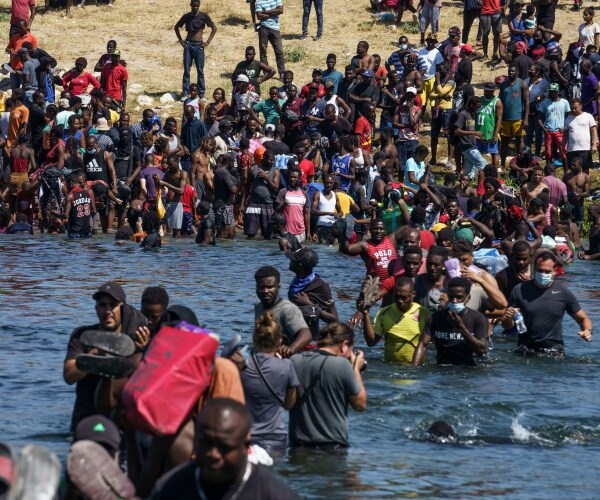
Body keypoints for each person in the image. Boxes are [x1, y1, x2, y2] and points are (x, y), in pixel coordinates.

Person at [151, 398, 299, 499]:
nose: (213, 454)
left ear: (246, 446)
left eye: (224, 447)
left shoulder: (275, 495)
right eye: (206, 443)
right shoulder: (169, 488)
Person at [63, 282, 147, 430]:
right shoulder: (83, 336)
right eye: (103, 305)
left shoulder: (134, 339)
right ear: (96, 308)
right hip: (86, 420)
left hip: (117, 422)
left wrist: (147, 349)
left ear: (123, 308)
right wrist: (94, 356)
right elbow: (69, 376)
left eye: (113, 305)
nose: (107, 310)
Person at [289, 322, 366, 448]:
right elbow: (360, 404)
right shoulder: (342, 365)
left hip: (298, 444)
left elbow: (288, 403)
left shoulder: (295, 360)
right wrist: (356, 369)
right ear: (344, 345)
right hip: (331, 445)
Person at [505, 251, 593, 353]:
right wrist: (508, 317)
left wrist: (587, 331)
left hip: (553, 351)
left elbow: (583, 319)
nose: (543, 274)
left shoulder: (563, 293)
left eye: (547, 272)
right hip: (525, 349)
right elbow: (508, 325)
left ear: (554, 271)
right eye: (540, 270)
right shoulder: (519, 290)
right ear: (534, 269)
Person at [239, 312, 300, 452]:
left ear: (254, 339)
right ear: (280, 341)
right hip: (275, 437)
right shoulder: (286, 366)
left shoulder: (242, 366)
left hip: (247, 437)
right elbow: (289, 405)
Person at [412, 277, 489, 366]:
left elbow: (482, 350)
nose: (454, 301)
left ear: (468, 298)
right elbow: (423, 344)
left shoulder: (477, 318)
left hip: (468, 368)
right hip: (442, 367)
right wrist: (414, 368)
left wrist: (461, 328)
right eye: (451, 297)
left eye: (459, 297)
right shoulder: (436, 317)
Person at [362, 276, 430, 363]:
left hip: (415, 368)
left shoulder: (423, 313)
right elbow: (371, 342)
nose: (400, 301)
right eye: (397, 296)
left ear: (413, 294)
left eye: (404, 297)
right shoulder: (384, 313)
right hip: (390, 366)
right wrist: (365, 314)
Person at [254, 266, 312, 357]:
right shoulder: (258, 306)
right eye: (261, 287)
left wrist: (291, 349)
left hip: (285, 360)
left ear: (278, 287)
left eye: (270, 287)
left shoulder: (287, 309)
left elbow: (306, 334)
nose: (265, 291)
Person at [286, 247, 338, 338]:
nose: (290, 261)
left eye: (293, 260)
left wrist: (310, 305)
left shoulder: (321, 286)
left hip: (309, 339)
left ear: (299, 266)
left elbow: (335, 320)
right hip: (292, 335)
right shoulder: (296, 282)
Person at [174, 0, 217, 101]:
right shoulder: (186, 16)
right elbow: (176, 27)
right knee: (187, 70)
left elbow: (214, 28)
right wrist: (181, 40)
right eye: (193, 6)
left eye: (197, 6)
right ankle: (185, 93)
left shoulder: (203, 16)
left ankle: (201, 94)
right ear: (190, 5)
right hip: (188, 45)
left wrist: (207, 42)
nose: (195, 8)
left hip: (199, 46)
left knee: (200, 71)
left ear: (199, 6)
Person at [499, 65, 529, 170]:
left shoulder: (522, 83)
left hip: (518, 118)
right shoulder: (503, 84)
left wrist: (526, 119)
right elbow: (500, 101)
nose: (510, 73)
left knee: (520, 141)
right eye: (509, 71)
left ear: (517, 72)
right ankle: (502, 165)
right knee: (504, 142)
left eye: (512, 71)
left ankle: (520, 164)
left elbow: (527, 102)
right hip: (505, 118)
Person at [537, 82, 570, 169]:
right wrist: (544, 129)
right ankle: (549, 170)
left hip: (560, 131)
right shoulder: (544, 103)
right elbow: (539, 117)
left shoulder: (564, 102)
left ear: (558, 92)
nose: (552, 93)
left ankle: (566, 171)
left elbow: (568, 116)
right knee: (548, 152)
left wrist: (564, 127)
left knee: (563, 151)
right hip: (548, 130)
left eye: (554, 91)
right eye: (551, 91)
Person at [454, 96, 487, 180]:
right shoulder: (463, 114)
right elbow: (457, 131)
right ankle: (482, 185)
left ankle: (464, 186)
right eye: (477, 107)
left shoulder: (472, 115)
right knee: (484, 166)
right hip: (467, 147)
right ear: (472, 104)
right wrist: (474, 132)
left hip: (471, 145)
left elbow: (468, 133)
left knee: (469, 173)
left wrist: (479, 138)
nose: (478, 109)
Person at [276, 167, 310, 245]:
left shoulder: (304, 194)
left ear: (299, 179)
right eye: (291, 177)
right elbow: (277, 210)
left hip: (301, 232)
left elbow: (307, 214)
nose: (292, 179)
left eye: (295, 177)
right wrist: (284, 204)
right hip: (286, 231)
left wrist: (308, 232)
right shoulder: (283, 192)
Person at [563, 98, 597, 173]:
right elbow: (565, 135)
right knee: (573, 170)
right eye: (572, 108)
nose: (573, 110)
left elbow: (594, 131)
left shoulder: (588, 116)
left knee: (585, 170)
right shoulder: (568, 119)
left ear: (581, 106)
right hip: (572, 149)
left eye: (576, 108)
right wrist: (563, 147)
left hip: (585, 148)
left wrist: (594, 145)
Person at [255, 0, 286, 80]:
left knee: (279, 51)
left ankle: (282, 72)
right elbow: (259, 16)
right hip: (263, 27)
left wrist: (265, 12)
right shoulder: (259, 1)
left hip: (275, 28)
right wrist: (274, 12)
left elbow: (280, 10)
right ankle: (266, 72)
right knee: (263, 51)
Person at [476, 82, 503, 169]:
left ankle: (494, 172)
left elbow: (499, 119)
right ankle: (479, 171)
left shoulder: (497, 102)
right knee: (477, 153)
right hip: (478, 130)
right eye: (485, 90)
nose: (486, 92)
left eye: (488, 91)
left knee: (494, 153)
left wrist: (495, 135)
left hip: (490, 132)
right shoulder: (480, 100)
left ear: (493, 91)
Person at [64, 171, 95, 239]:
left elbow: (65, 216)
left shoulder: (70, 196)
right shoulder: (89, 192)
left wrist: (55, 214)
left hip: (75, 232)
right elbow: (94, 210)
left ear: (71, 183)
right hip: (87, 231)